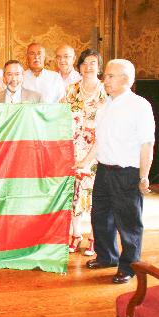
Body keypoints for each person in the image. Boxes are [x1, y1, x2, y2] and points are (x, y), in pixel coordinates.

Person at [76, 59, 155, 284]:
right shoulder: (105, 106)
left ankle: (129, 267)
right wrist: (84, 161)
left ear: (126, 79)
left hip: (127, 173)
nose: (105, 80)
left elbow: (147, 144)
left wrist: (143, 176)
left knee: (129, 223)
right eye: (106, 76)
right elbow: (100, 141)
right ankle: (107, 257)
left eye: (110, 76)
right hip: (104, 171)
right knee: (100, 217)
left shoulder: (140, 106)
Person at [62, 49, 107, 256]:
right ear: (79, 66)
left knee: (94, 195)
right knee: (74, 193)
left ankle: (94, 237)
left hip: (98, 151)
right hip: (73, 149)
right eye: (85, 63)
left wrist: (90, 155)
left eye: (93, 63)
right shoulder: (71, 90)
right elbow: (60, 118)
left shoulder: (105, 91)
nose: (89, 67)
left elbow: (109, 126)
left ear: (99, 67)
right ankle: (76, 234)